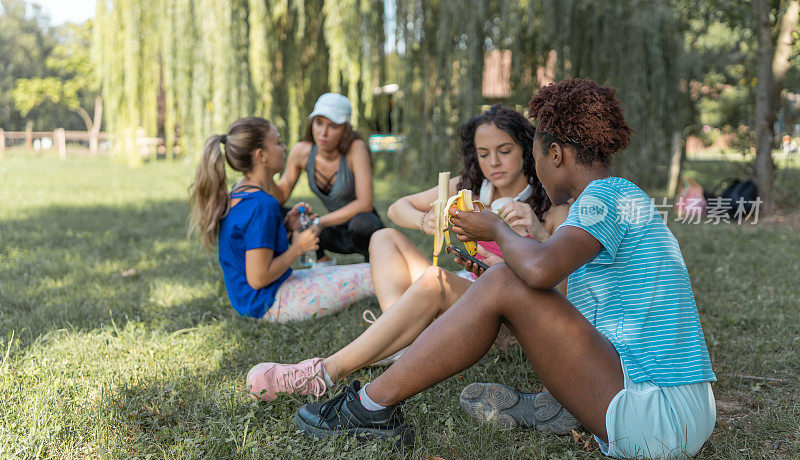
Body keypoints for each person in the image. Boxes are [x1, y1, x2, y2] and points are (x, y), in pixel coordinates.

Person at [293, 79, 717, 460]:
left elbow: (537, 273)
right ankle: (552, 407)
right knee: (503, 278)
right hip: (682, 409)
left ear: (556, 154)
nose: (538, 172)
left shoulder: (601, 199)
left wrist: (494, 226)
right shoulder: (622, 196)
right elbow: (564, 304)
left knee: (503, 281)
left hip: (660, 419)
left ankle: (368, 406)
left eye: (535, 158)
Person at [246, 105, 570, 403]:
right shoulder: (470, 187)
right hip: (472, 292)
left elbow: (566, 294)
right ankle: (398, 340)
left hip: (507, 317)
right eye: (484, 154)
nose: (494, 163)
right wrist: (423, 219)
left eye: (504, 151)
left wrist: (536, 241)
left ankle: (322, 372)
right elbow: (397, 207)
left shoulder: (547, 207)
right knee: (384, 237)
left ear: (526, 150)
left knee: (436, 280)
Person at [189, 116, 374, 323]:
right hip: (271, 303)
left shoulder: (240, 193)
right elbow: (258, 278)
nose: (284, 147)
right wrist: (297, 248)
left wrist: (286, 227)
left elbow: (252, 243)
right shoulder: (262, 205)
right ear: (261, 156)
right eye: (277, 142)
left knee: (366, 271)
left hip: (255, 299)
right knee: (372, 275)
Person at [276, 93, 383, 261]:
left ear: (345, 128)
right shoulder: (301, 152)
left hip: (363, 228)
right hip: (333, 230)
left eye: (333, 126)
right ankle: (321, 263)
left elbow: (365, 203)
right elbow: (280, 196)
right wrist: (261, 175)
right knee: (278, 213)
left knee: (364, 223)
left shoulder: (356, 148)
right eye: (318, 123)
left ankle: (375, 268)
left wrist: (319, 222)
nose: (323, 133)